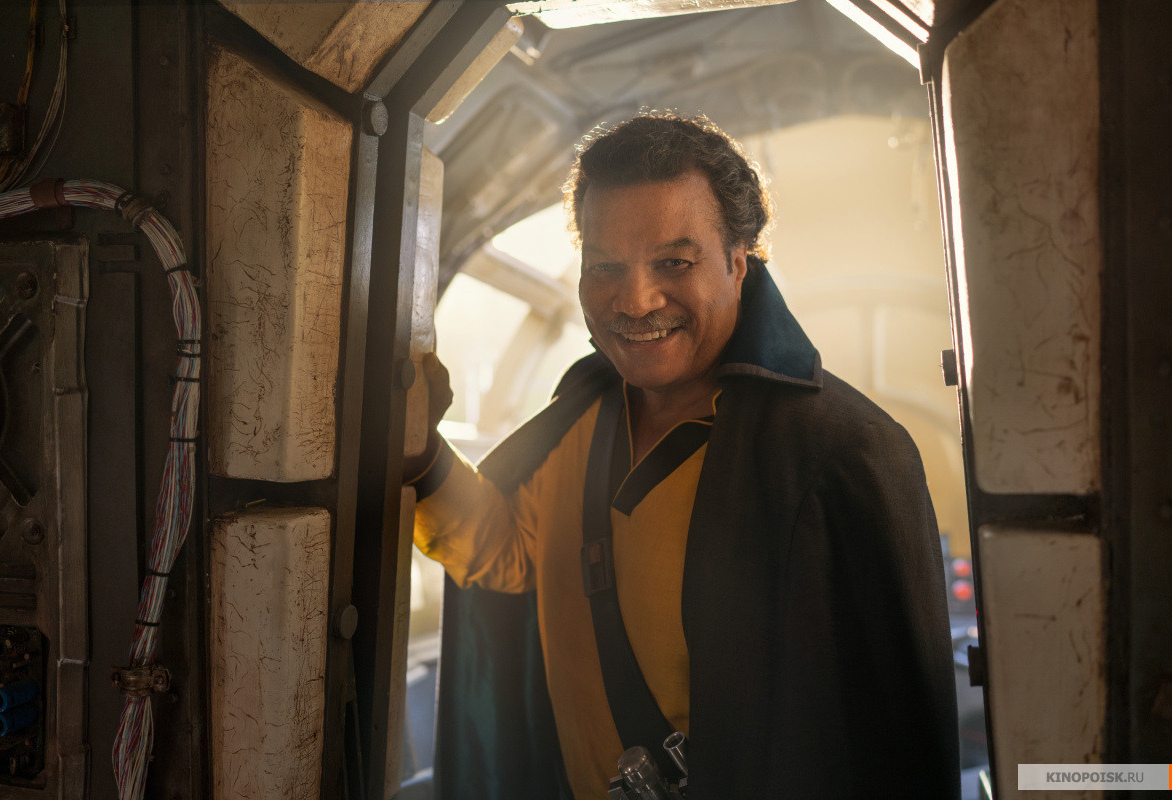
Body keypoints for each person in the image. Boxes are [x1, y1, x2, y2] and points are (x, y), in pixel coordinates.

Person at [406, 112, 960, 799]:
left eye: (674, 262)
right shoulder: (582, 414)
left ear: (738, 262)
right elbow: (513, 555)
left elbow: (896, 742)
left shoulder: (842, 453)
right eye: (605, 267)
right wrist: (418, 452)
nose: (636, 300)